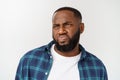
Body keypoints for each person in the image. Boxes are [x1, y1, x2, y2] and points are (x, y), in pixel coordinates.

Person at [15, 7, 108, 80]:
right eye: (56, 26)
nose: (61, 31)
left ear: (81, 28)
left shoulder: (97, 67)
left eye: (67, 25)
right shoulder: (29, 60)